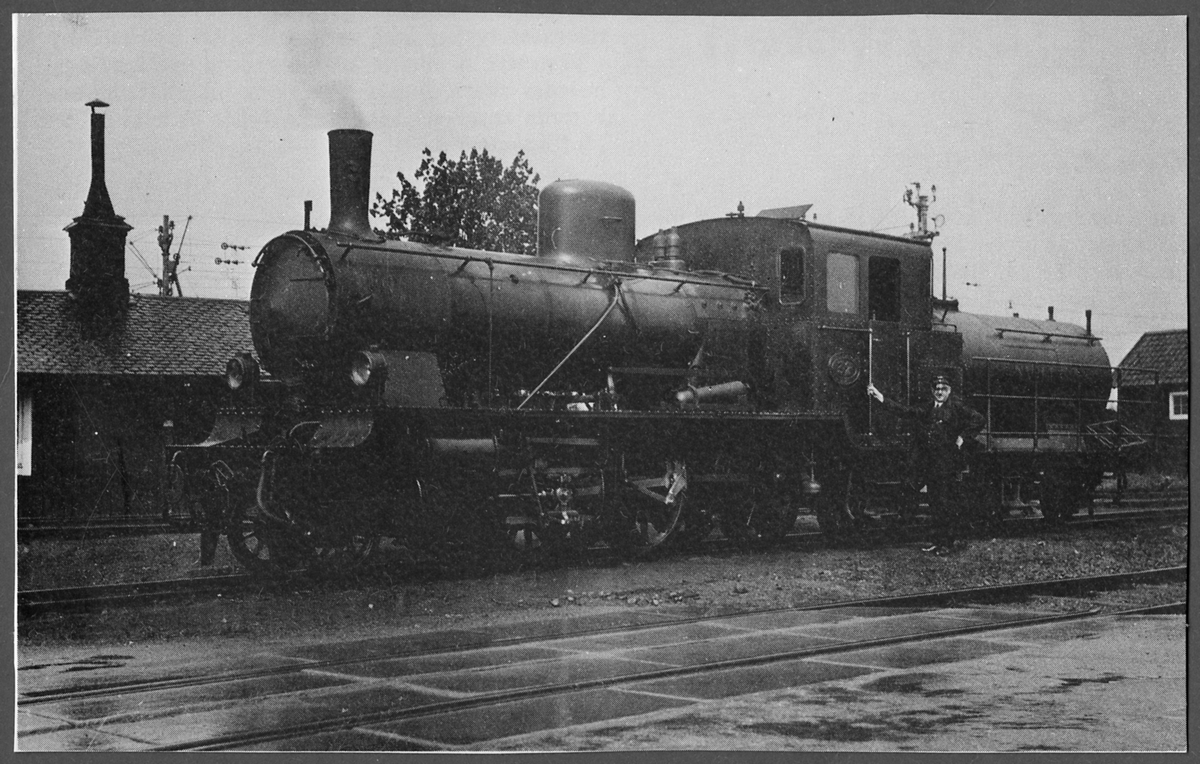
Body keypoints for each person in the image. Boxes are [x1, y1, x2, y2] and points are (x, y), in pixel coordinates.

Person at [866, 375, 984, 553]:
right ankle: (937, 542)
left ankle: (947, 544)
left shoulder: (957, 407)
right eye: (937, 389)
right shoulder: (928, 407)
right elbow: (905, 411)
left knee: (945, 504)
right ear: (932, 391)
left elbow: (979, 419)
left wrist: (963, 437)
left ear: (949, 391)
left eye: (943, 389)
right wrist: (879, 396)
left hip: (947, 464)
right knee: (934, 503)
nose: (939, 392)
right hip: (931, 464)